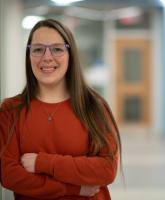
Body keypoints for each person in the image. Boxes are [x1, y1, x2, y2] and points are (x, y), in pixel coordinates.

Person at [0, 19, 122, 200]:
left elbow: (106, 169)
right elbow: (8, 175)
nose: (47, 57)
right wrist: (74, 188)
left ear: (70, 54)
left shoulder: (94, 106)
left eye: (57, 49)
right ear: (29, 56)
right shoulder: (11, 110)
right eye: (38, 49)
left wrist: (44, 162)